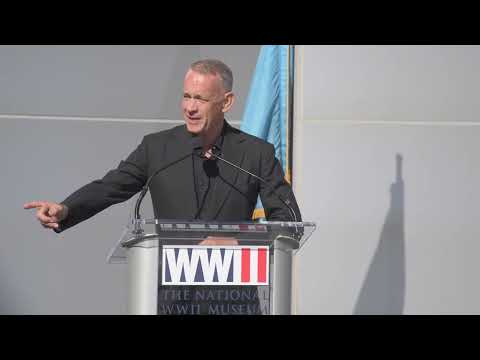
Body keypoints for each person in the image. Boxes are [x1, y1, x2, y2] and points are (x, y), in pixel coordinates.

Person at [24, 59, 301, 314]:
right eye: (186, 96)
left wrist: (236, 243)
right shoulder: (157, 148)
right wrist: (66, 208)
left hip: (233, 301)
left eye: (201, 99)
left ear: (226, 102)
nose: (190, 107)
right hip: (171, 300)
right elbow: (110, 186)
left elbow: (290, 223)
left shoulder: (255, 154)